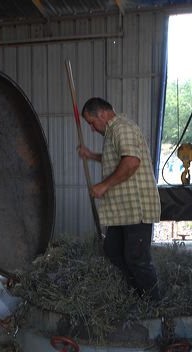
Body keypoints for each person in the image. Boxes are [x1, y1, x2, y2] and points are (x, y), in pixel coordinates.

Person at [77, 97, 161, 302]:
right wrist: (91, 155)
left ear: (103, 114)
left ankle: (155, 305)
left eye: (91, 122)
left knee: (137, 259)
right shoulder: (114, 132)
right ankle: (137, 293)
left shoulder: (122, 128)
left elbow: (131, 162)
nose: (91, 128)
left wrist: (104, 185)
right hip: (122, 212)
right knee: (112, 249)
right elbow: (116, 157)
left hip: (135, 209)